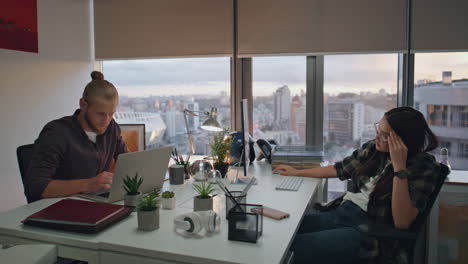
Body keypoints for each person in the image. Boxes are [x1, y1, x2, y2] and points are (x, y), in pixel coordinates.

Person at [273, 107, 440, 264]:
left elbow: (402, 222)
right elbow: (339, 169)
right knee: (280, 235)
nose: (377, 138)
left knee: (290, 250)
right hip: (343, 213)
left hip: (369, 232)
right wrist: (297, 172)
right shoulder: (375, 149)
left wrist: (399, 168)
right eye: (378, 131)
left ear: (403, 140)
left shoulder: (423, 167)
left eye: (384, 135)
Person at [24, 72, 128, 203]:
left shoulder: (112, 128)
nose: (106, 120)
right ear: (83, 104)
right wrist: (88, 184)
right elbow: (35, 187)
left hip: (95, 204)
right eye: (100, 114)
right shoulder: (56, 133)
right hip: (59, 208)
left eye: (111, 114)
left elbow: (128, 162)